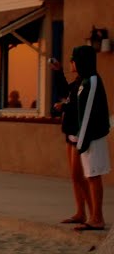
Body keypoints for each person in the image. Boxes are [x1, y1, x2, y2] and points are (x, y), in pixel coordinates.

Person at [71, 45, 109, 232]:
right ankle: (94, 216)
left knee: (94, 175)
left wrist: (82, 139)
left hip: (93, 136)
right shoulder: (84, 80)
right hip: (86, 135)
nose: (73, 63)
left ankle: (97, 218)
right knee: (89, 175)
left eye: (75, 60)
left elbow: (88, 113)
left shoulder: (92, 80)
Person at [52, 56, 89, 225]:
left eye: (73, 61)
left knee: (79, 175)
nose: (71, 64)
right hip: (70, 132)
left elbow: (78, 104)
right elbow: (65, 93)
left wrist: (64, 107)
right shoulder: (77, 82)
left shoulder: (87, 82)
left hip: (78, 133)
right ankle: (81, 212)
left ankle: (93, 213)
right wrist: (58, 72)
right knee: (75, 177)